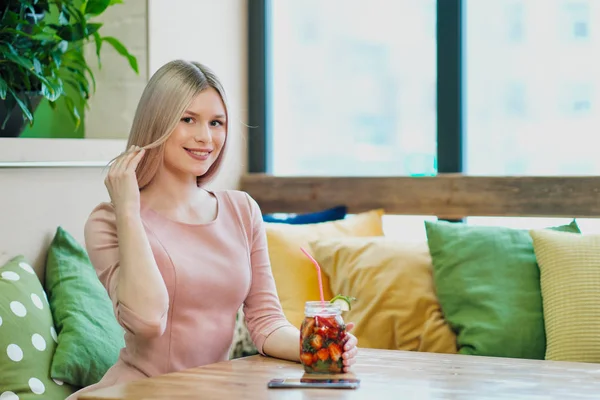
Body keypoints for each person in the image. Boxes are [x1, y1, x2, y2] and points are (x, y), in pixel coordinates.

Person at [66, 60, 358, 399]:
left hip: (211, 391)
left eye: (216, 123)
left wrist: (318, 347)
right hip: (139, 391)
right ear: (156, 123)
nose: (205, 137)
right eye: (188, 119)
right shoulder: (109, 221)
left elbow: (266, 322)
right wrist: (128, 211)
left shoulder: (242, 209)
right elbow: (147, 321)